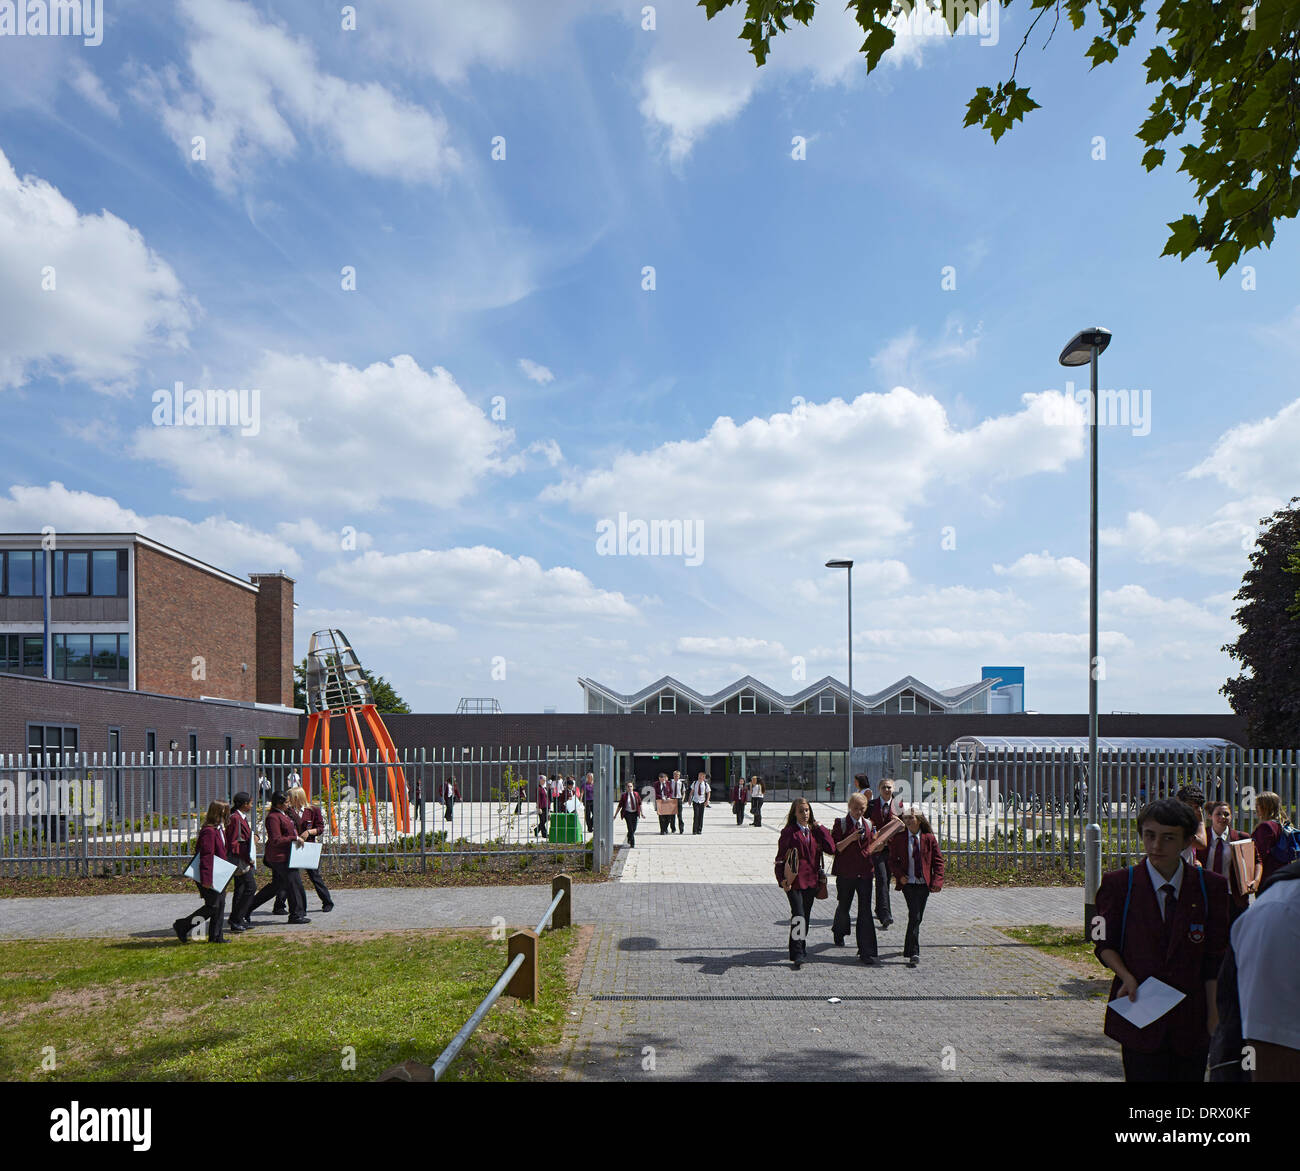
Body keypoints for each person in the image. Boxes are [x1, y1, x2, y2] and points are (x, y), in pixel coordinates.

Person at [1093, 798, 1229, 1082]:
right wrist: (1126, 976)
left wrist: (1214, 1014)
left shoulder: (1210, 887)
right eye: (1149, 836)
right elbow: (1104, 943)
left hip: (1191, 1019)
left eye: (1168, 838)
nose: (1156, 846)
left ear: (1187, 841)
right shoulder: (1120, 884)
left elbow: (1216, 957)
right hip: (1140, 1010)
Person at [774, 798, 836, 970]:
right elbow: (779, 859)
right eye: (801, 811)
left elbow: (831, 849)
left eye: (807, 810)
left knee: (805, 917)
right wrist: (782, 880)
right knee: (799, 915)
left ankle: (797, 948)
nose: (805, 814)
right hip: (793, 881)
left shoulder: (814, 831)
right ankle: (798, 952)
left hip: (811, 881)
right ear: (794, 813)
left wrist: (821, 828)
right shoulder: (789, 832)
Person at [887, 805, 944, 967]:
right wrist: (899, 876)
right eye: (905, 818)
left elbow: (938, 862)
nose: (908, 820)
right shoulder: (899, 839)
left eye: (911, 817)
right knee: (915, 915)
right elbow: (892, 861)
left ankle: (908, 947)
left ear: (919, 820)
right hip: (909, 883)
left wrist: (937, 881)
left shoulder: (929, 838)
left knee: (917, 917)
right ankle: (914, 952)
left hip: (923, 884)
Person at [830, 793, 881, 965]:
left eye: (862, 808)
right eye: (856, 808)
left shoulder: (868, 824)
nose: (859, 812)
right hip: (846, 873)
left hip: (865, 872)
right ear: (849, 806)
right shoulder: (841, 824)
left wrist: (878, 843)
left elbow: (870, 847)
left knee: (864, 910)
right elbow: (836, 848)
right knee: (844, 904)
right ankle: (839, 931)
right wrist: (851, 838)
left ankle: (867, 951)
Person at [246, 791, 311, 924]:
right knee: (294, 884)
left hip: (287, 856)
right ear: (279, 804)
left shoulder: (285, 814)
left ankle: (244, 910)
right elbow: (276, 839)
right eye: (286, 802)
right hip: (279, 858)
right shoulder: (273, 818)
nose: (289, 804)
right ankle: (296, 915)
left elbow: (296, 824)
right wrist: (294, 838)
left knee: (275, 887)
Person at [174, 800, 231, 944]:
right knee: (212, 906)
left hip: (218, 874)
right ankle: (183, 925)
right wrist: (206, 879)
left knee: (220, 905)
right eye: (224, 811)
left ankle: (216, 936)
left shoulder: (219, 829)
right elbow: (206, 856)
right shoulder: (209, 831)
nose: (226, 814)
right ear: (217, 813)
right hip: (209, 875)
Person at [1195, 800, 1249, 924]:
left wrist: (1255, 880)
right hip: (1207, 894)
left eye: (1226, 814)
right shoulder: (1202, 838)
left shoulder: (1242, 838)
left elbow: (1257, 861)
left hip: (1232, 895)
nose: (1222, 817)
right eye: (1218, 814)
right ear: (1210, 816)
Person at [288, 786, 334, 913]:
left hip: (308, 846)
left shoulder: (313, 810)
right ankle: (279, 904)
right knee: (289, 876)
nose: (288, 800)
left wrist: (309, 832)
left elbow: (320, 828)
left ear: (297, 798)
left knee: (314, 875)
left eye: (290, 797)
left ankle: (327, 901)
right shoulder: (288, 811)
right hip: (293, 846)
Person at [866, 778, 899, 930]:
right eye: (884, 787)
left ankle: (879, 909)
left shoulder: (899, 805)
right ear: (879, 789)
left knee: (885, 881)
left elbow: (902, 826)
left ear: (893, 789)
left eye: (889, 787)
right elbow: (864, 823)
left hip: (891, 849)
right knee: (881, 878)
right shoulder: (871, 805)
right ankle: (886, 914)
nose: (887, 790)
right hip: (876, 848)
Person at [226, 791, 257, 933]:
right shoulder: (236, 818)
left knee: (241, 889)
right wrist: (246, 855)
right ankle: (236, 917)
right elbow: (233, 843)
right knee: (250, 887)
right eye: (250, 803)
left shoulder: (241, 817)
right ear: (244, 804)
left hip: (243, 858)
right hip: (240, 860)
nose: (252, 805)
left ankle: (237, 919)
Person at [1249, 791, 1291, 889]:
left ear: (1266, 806)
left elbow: (1259, 853)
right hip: (1281, 873)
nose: (1256, 808)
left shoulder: (1266, 826)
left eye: (1258, 805)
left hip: (1268, 876)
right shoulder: (1281, 824)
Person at [1175, 785, 1209, 865]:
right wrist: (1200, 821)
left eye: (1196, 807)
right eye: (1189, 806)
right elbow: (1202, 844)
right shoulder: (1175, 823)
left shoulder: (1185, 822)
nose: (1192, 810)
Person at [618, 780, 642, 848]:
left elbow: (640, 804)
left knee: (634, 828)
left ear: (633, 787)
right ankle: (632, 843)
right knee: (630, 828)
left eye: (631, 786)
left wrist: (642, 813)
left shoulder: (636, 794)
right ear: (626, 788)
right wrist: (615, 814)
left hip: (635, 813)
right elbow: (620, 805)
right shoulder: (624, 796)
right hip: (627, 813)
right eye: (628, 786)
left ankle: (629, 837)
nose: (629, 788)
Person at [533, 774, 550, 839]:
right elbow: (538, 798)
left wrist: (549, 806)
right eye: (543, 780)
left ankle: (536, 829)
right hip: (541, 806)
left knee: (544, 820)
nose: (544, 781)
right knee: (542, 820)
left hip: (546, 806)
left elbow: (547, 798)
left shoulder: (544, 788)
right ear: (540, 780)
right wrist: (538, 807)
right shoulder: (538, 788)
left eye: (545, 780)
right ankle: (544, 834)